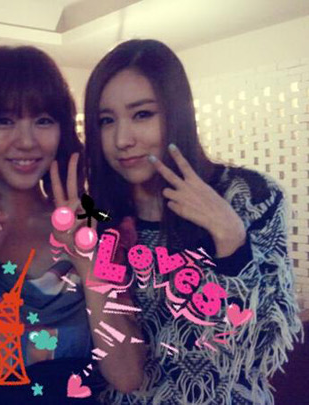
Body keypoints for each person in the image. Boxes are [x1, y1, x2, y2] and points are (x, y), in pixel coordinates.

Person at [0, 45, 145, 404]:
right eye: (4, 121)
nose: (26, 141)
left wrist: (88, 265)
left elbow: (128, 375)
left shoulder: (93, 230)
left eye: (43, 120)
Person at [84, 39, 302, 404]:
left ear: (177, 114)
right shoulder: (100, 218)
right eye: (107, 121)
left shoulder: (250, 196)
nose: (122, 139)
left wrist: (231, 240)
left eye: (142, 114)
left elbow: (267, 348)